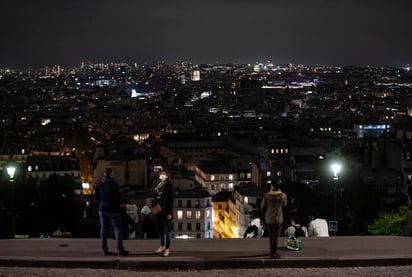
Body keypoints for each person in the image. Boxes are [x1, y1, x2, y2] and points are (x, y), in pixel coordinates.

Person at [95, 167, 128, 256]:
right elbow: (118, 197)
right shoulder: (114, 184)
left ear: (104, 173)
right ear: (111, 174)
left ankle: (104, 249)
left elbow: (96, 197)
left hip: (102, 208)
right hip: (113, 209)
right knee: (117, 229)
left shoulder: (99, 183)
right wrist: (118, 205)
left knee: (103, 229)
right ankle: (120, 249)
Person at [261, 180, 287, 259]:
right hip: (278, 219)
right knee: (275, 237)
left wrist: (265, 214)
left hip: (268, 218)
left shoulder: (266, 196)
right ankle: (273, 253)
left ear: (272, 186)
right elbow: (284, 205)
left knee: (271, 236)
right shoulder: (283, 196)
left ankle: (271, 251)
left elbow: (262, 207)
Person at [152, 170, 174, 257]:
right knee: (160, 229)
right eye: (161, 174)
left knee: (167, 231)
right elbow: (154, 197)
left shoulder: (170, 186)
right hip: (158, 210)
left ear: (167, 176)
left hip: (166, 211)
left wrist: (169, 212)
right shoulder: (158, 185)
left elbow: (171, 200)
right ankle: (162, 246)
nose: (162, 176)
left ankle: (167, 249)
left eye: (164, 174)